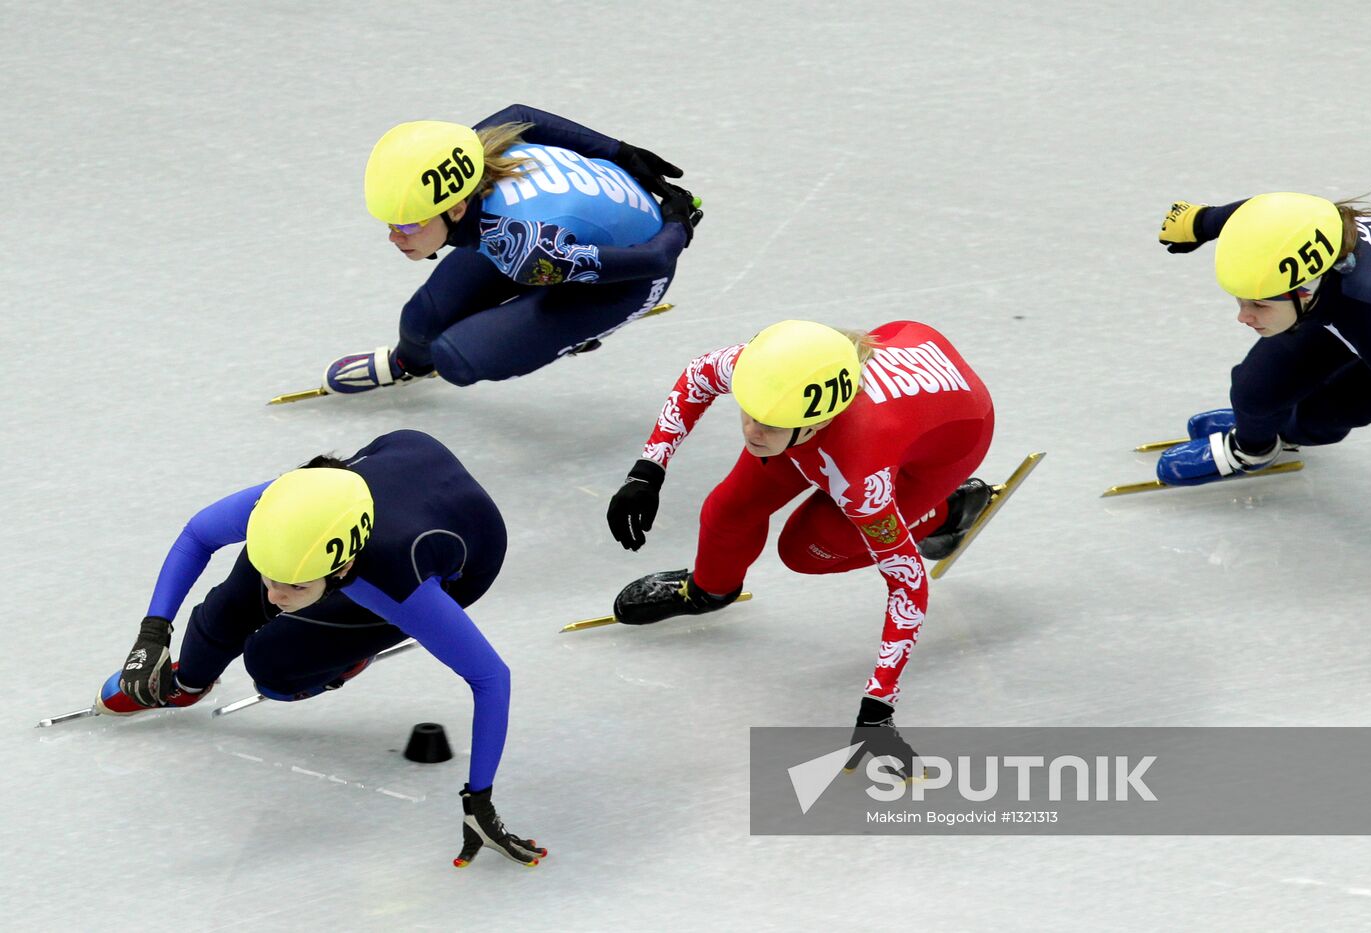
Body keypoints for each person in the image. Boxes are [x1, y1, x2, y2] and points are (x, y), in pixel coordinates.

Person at [97, 429, 545, 868]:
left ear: (342, 569)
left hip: (465, 557)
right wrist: (152, 635)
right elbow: (198, 535)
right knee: (226, 608)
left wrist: (479, 800)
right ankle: (188, 683)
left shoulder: (393, 583)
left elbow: (491, 678)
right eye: (270, 575)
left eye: (292, 585)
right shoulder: (287, 504)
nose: (274, 595)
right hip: (401, 457)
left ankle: (347, 653)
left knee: (274, 668)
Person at [605, 320, 996, 777]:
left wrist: (878, 710)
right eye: (747, 411)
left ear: (822, 419)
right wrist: (647, 471)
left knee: (806, 550)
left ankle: (945, 511)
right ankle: (710, 590)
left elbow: (907, 585)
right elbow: (697, 377)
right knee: (727, 509)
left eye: (768, 424)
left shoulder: (860, 478)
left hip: (950, 440)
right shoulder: (767, 372)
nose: (751, 430)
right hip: (901, 365)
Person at [321, 105, 702, 396]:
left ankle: (572, 329)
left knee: (457, 357)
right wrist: (621, 151)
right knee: (423, 320)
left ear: (456, 208)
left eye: (408, 224)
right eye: (390, 224)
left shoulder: (524, 248)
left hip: (630, 277)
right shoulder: (470, 153)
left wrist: (678, 222)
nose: (394, 237)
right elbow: (521, 116)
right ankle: (407, 364)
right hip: (558, 238)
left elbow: (655, 260)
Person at [1155, 192, 1371, 485]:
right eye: (1241, 301)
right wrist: (1202, 222)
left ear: (1304, 288)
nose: (1243, 317)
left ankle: (1281, 436)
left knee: (1324, 413)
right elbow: (1266, 216)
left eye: (1259, 304)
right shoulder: (1324, 232)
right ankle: (1256, 444)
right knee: (1255, 391)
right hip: (1352, 306)